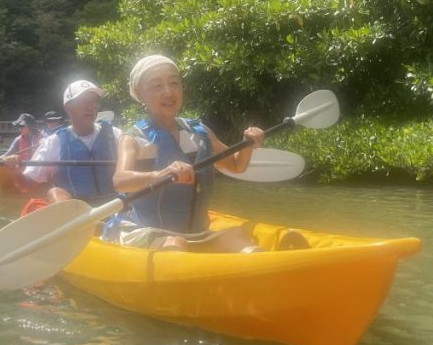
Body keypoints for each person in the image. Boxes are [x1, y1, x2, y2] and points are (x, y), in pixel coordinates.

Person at [110, 55, 265, 251]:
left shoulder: (200, 132)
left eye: (174, 83)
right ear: (141, 95)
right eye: (157, 86)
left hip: (197, 234)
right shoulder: (133, 138)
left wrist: (247, 145)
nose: (168, 92)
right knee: (176, 243)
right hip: (150, 233)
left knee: (237, 236)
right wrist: (160, 175)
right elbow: (120, 180)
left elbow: (236, 165)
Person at [20, 81, 124, 205]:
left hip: (114, 205)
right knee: (54, 192)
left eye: (94, 101)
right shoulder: (54, 142)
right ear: (68, 107)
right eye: (83, 101)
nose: (90, 106)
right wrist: (13, 169)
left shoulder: (115, 134)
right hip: (77, 211)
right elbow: (27, 186)